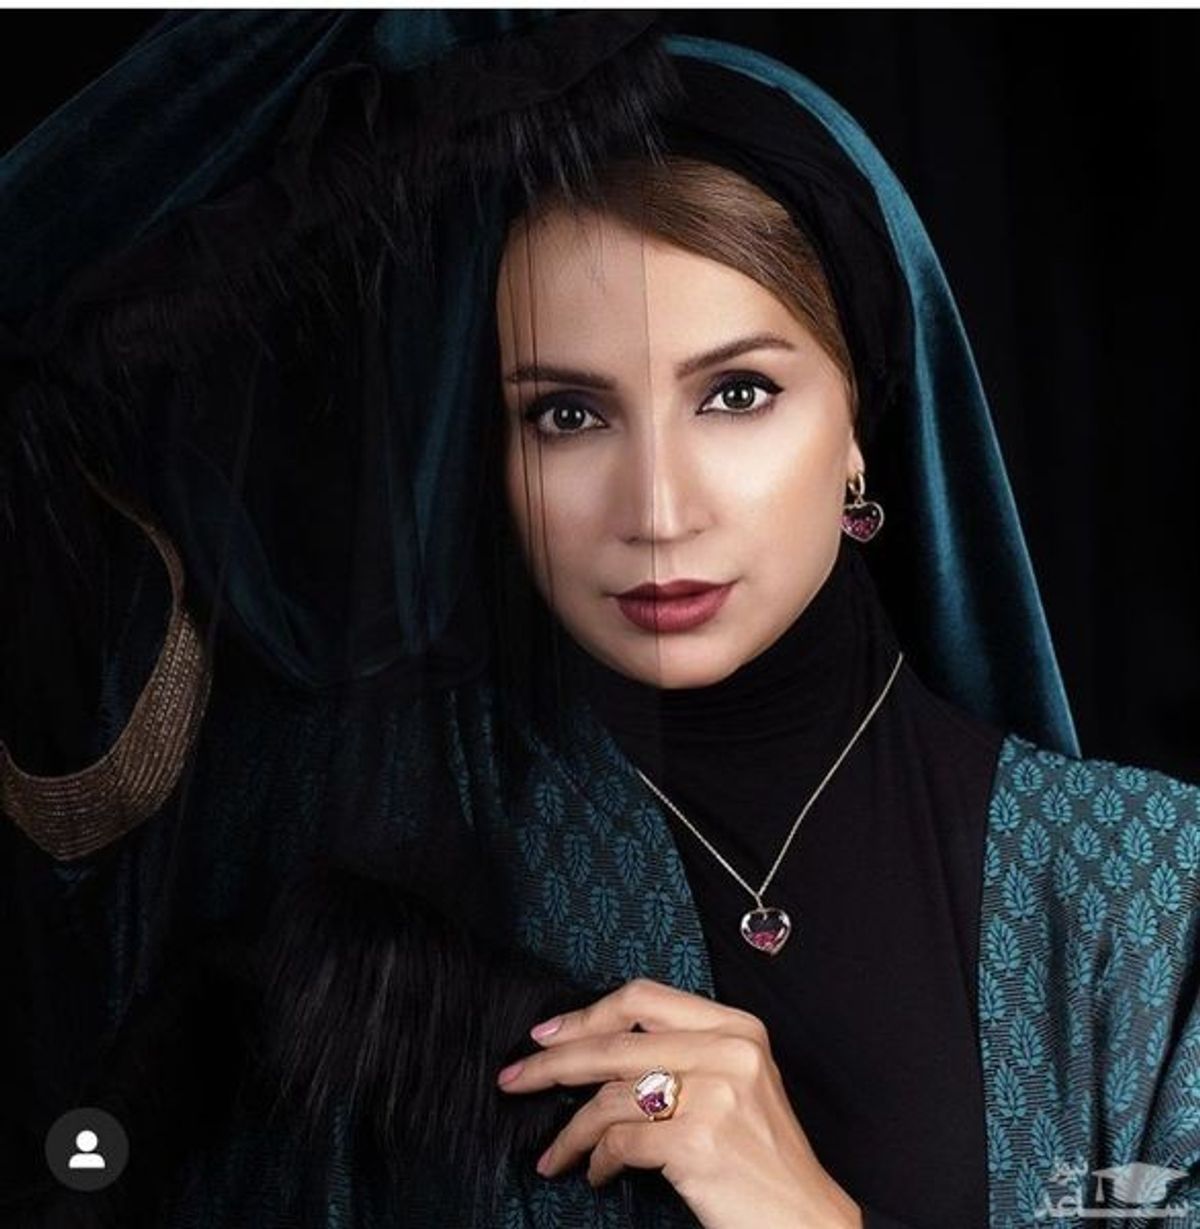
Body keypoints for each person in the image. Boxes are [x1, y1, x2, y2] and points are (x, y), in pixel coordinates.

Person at [1, 11, 1198, 1229]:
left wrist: (808, 1214)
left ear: (860, 420)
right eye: (567, 415)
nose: (658, 510)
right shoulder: (342, 841)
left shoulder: (1148, 890)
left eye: (737, 392)